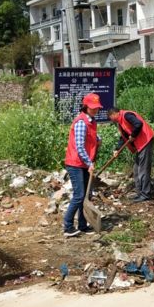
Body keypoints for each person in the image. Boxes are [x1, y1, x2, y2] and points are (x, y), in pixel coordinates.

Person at [63, 93, 102, 237]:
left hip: (84, 163)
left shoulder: (91, 121)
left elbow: (90, 136)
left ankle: (82, 225)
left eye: (96, 108)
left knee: (87, 195)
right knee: (79, 195)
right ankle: (67, 226)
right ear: (85, 106)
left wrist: (98, 139)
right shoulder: (81, 121)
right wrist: (89, 163)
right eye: (92, 108)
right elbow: (79, 146)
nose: (95, 110)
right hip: (75, 163)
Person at [107, 108, 154, 202]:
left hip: (145, 142)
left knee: (143, 169)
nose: (112, 120)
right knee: (136, 170)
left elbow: (138, 124)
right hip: (140, 145)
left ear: (113, 114)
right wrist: (117, 149)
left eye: (111, 118)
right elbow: (123, 137)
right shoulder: (121, 123)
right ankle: (140, 193)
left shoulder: (126, 115)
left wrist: (133, 135)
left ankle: (145, 194)